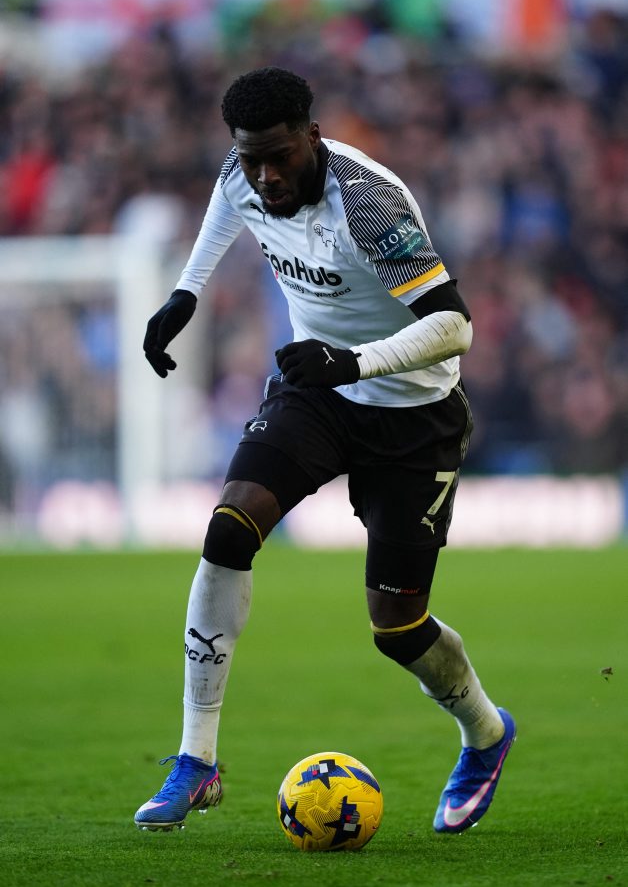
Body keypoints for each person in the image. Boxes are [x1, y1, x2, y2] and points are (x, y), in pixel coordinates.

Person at [135, 66, 516, 835]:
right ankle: (197, 759)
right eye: (252, 159)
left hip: (412, 414)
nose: (266, 176)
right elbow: (227, 200)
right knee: (229, 528)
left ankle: (485, 732)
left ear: (312, 136)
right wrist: (186, 293)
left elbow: (455, 325)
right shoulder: (244, 170)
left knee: (397, 627)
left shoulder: (367, 204)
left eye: (280, 156)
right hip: (316, 392)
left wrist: (354, 361)